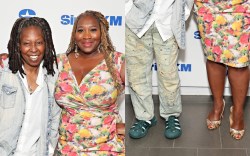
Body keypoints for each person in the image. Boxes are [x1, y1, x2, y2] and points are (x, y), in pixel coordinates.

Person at [53, 10, 125, 155]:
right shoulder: (60, 61)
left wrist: (127, 126)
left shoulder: (117, 61)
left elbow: (140, 88)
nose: (86, 36)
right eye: (81, 30)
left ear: (102, 33)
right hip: (67, 148)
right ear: (74, 34)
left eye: (93, 30)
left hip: (107, 147)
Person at [125, 0, 194, 139]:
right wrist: (128, 12)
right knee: (136, 75)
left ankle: (171, 115)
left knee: (169, 75)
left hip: (168, 25)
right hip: (136, 23)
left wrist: (178, 18)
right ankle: (144, 117)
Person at [0, 17, 61, 155]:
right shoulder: (4, 71)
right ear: (17, 45)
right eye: (26, 43)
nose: (33, 49)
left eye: (39, 42)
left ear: (46, 44)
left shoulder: (52, 76)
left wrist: (50, 150)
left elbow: (55, 118)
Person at [194, 0, 249, 140]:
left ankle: (238, 112)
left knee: (239, 61)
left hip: (241, 4)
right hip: (208, 5)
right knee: (214, 56)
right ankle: (218, 104)